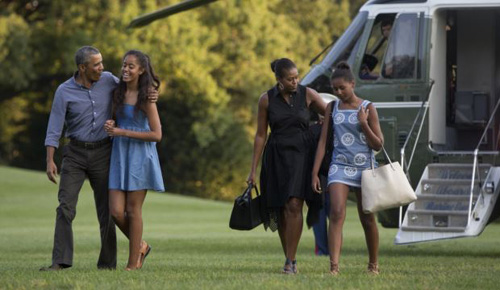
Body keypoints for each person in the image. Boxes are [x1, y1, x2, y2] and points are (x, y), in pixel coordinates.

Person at [41, 46, 157, 271]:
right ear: (83, 68)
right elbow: (54, 127)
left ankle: (107, 264)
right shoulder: (64, 91)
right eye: (96, 65)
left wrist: (152, 92)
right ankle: (60, 261)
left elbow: (132, 84)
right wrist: (50, 159)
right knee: (65, 207)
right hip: (74, 154)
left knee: (108, 211)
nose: (102, 68)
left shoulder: (108, 80)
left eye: (102, 63)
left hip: (104, 152)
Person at [247, 58, 326, 274]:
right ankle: (289, 258)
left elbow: (330, 112)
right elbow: (261, 135)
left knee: (294, 205)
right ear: (279, 80)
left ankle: (290, 261)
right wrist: (252, 170)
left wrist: (322, 122)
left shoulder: (307, 94)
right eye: (290, 79)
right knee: (280, 209)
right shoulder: (266, 99)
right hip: (276, 156)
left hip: (302, 154)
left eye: (297, 77)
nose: (295, 81)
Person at [312, 62, 384, 275]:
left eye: (342, 88)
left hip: (365, 168)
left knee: (367, 217)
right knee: (336, 212)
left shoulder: (368, 107)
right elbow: (323, 142)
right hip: (340, 166)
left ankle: (373, 264)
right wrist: (315, 173)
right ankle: (333, 267)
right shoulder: (332, 108)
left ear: (353, 84)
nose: (338, 92)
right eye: (335, 89)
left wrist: (364, 124)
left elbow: (379, 144)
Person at [104, 50, 164, 271]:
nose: (126, 69)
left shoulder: (147, 97)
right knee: (116, 211)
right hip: (120, 155)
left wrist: (121, 132)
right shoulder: (117, 92)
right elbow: (116, 120)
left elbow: (157, 135)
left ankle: (132, 265)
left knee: (133, 210)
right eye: (124, 65)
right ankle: (141, 245)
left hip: (140, 156)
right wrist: (111, 126)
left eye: (131, 66)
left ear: (141, 70)